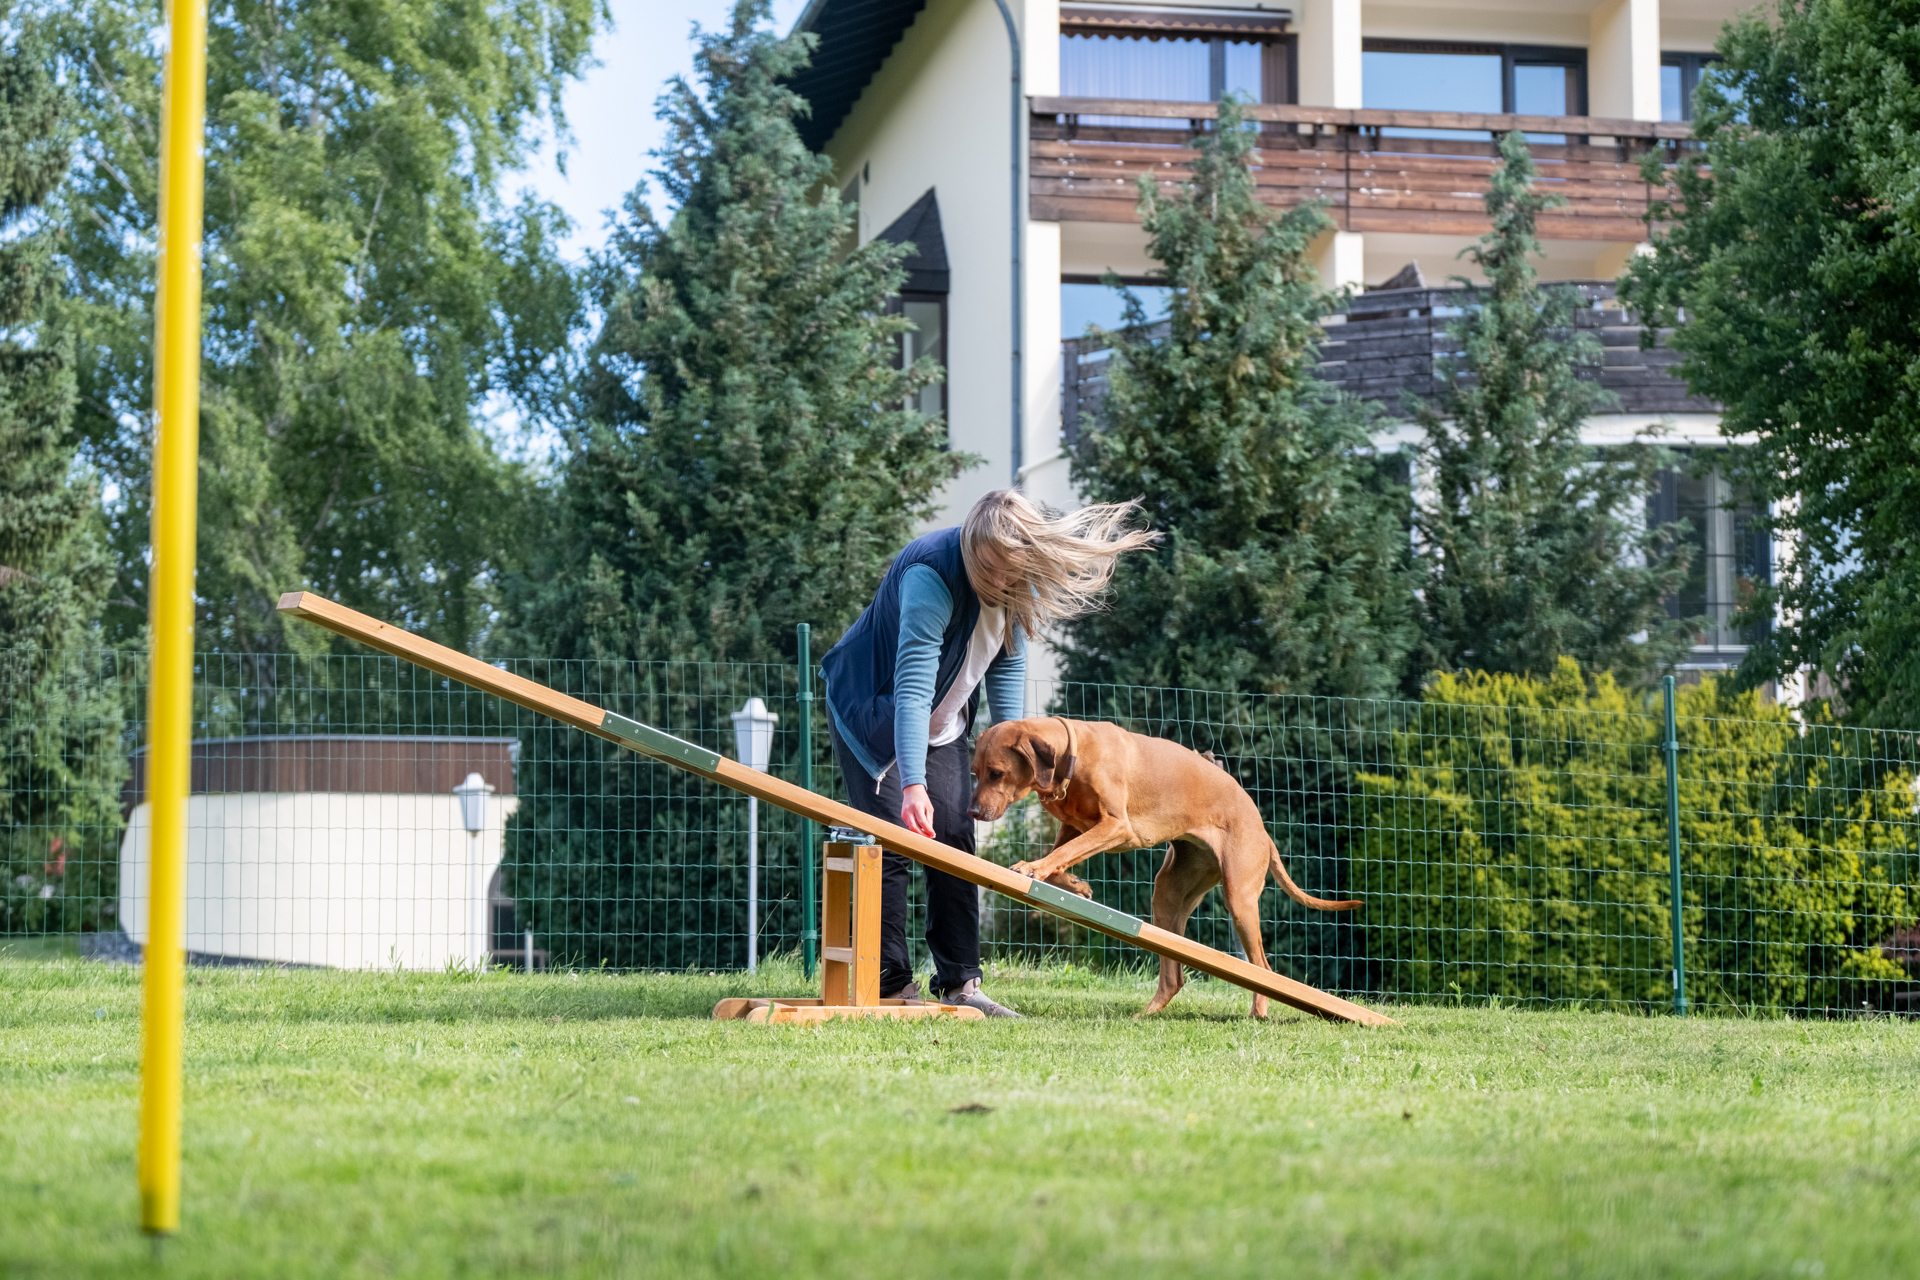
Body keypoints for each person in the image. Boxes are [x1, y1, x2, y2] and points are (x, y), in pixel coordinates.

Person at [820, 489, 1159, 1015]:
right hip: (874, 713)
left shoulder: (1016, 584)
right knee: (892, 841)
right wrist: (912, 784)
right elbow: (911, 691)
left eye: (1010, 569)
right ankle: (889, 982)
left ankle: (961, 985)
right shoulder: (931, 577)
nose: (1000, 580)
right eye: (990, 568)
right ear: (972, 548)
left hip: (943, 724)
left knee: (955, 838)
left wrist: (1009, 754)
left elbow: (1006, 672)